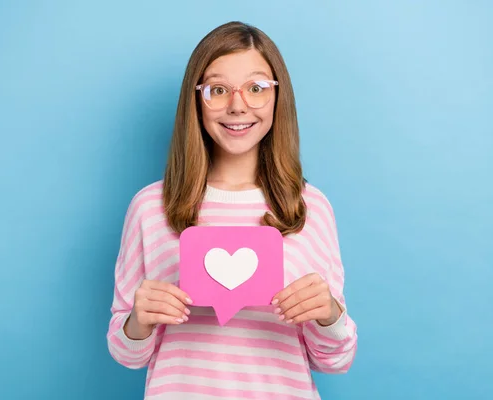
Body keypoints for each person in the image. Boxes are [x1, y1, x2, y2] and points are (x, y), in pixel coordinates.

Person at [106, 21, 358, 399]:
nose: (237, 105)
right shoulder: (150, 208)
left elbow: (336, 360)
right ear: (196, 99)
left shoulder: (310, 208)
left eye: (256, 88)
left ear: (277, 97)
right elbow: (126, 353)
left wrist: (329, 314)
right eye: (218, 90)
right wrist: (137, 320)